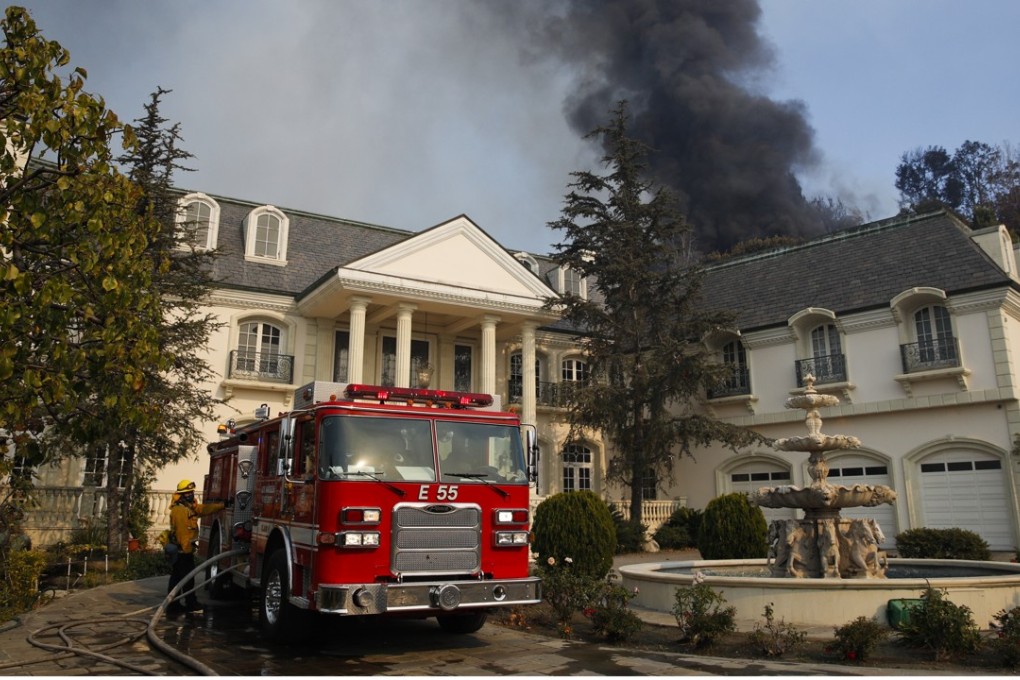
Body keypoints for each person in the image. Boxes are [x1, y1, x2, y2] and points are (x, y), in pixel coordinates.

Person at [166, 479, 226, 615]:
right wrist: (187, 551)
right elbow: (182, 534)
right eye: (188, 493)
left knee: (177, 578)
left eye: (191, 492)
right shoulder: (180, 511)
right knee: (186, 579)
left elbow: (203, 509)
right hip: (182, 551)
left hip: (183, 550)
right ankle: (189, 603)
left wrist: (221, 506)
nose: (191, 494)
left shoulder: (188, 507)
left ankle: (174, 605)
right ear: (181, 495)